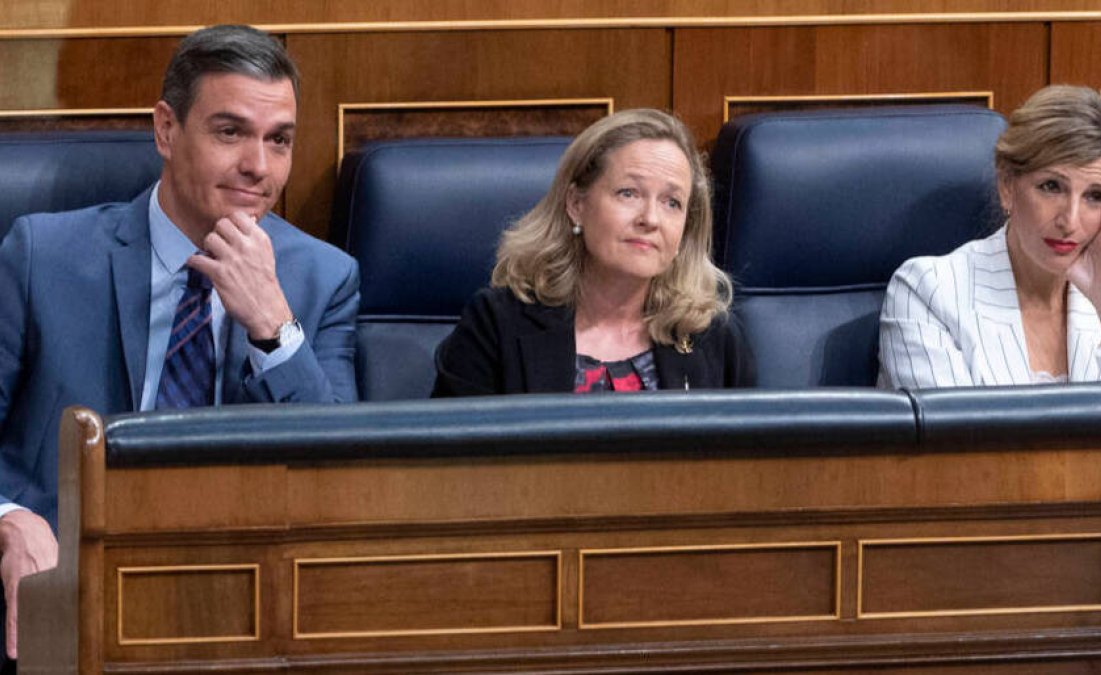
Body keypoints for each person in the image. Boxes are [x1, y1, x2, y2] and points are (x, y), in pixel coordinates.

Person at [0, 24, 359, 661]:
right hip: (59, 586)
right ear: (166, 129)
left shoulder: (321, 278)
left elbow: (340, 480)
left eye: (279, 141)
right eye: (230, 132)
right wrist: (8, 518)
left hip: (237, 606)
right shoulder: (42, 255)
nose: (259, 166)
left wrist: (273, 327)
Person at [433, 109, 754, 395]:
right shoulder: (498, 325)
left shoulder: (711, 336)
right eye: (629, 193)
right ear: (576, 204)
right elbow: (447, 456)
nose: (651, 219)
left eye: (672, 203)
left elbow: (752, 459)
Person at [878, 85, 1101, 389]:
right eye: (1051, 187)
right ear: (1007, 186)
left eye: (1095, 196)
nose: (1070, 220)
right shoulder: (929, 292)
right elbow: (955, 436)